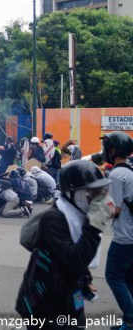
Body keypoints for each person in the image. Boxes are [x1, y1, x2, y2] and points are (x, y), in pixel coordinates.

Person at [16, 160, 115, 329]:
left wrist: (84, 278)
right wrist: (94, 226)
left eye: (100, 192)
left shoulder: (77, 214)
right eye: (91, 192)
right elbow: (75, 258)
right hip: (44, 302)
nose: (97, 198)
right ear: (71, 193)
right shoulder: (53, 220)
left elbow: (76, 252)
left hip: (67, 292)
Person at [98, 131, 133, 330]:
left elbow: (115, 209)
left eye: (108, 146)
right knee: (128, 278)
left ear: (114, 150)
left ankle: (130, 319)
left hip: (125, 237)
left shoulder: (118, 174)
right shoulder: (130, 170)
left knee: (113, 276)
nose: (105, 150)